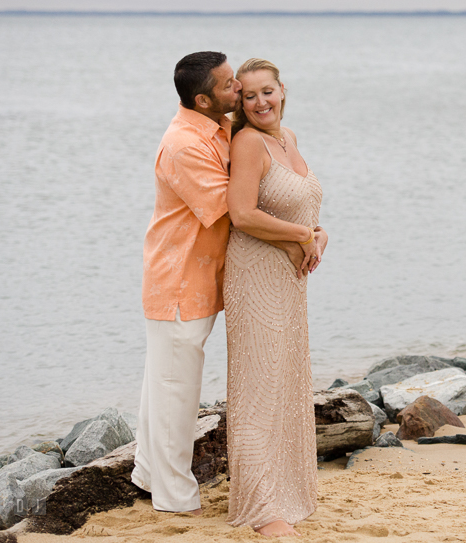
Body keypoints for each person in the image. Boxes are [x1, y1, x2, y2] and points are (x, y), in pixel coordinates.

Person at [133, 52, 308, 515]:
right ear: (203, 99)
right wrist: (297, 237)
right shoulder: (185, 145)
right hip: (179, 280)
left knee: (161, 381)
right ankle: (173, 497)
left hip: (204, 276)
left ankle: (147, 473)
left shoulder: (216, 128)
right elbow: (234, 211)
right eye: (231, 86)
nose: (240, 93)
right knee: (176, 390)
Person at [223, 58, 326, 537]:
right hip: (256, 276)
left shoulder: (290, 139)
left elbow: (301, 209)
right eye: (249, 96)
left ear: (283, 90)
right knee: (257, 389)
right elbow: (241, 214)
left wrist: (318, 237)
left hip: (290, 280)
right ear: (239, 104)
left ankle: (287, 489)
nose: (261, 102)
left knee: (285, 383)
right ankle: (263, 509)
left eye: (267, 91)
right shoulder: (246, 142)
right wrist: (303, 234)